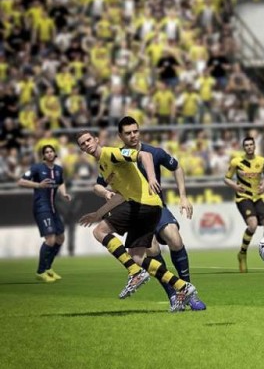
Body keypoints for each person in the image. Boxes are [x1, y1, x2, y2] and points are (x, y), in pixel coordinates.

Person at [75, 130, 203, 313]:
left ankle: (135, 272)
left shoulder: (112, 153)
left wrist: (151, 178)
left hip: (144, 204)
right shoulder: (103, 166)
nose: (86, 144)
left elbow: (145, 155)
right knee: (137, 257)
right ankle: (182, 286)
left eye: (88, 140)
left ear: (96, 139)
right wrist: (98, 214)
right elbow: (120, 196)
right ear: (81, 149)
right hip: (141, 205)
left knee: (100, 232)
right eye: (82, 143)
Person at [17, 144, 71, 282]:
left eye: (51, 151)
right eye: (46, 152)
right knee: (50, 239)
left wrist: (64, 193)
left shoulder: (58, 169)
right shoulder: (37, 168)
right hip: (41, 207)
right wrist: (38, 185)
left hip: (53, 208)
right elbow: (21, 181)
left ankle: (48, 268)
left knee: (60, 238)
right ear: (43, 155)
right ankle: (40, 272)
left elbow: (61, 182)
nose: (49, 153)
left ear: (55, 153)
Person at [224, 136, 264, 272]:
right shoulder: (237, 162)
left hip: (257, 197)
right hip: (243, 197)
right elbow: (226, 178)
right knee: (252, 224)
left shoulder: (262, 161)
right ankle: (242, 254)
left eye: (251, 144)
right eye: (246, 145)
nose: (249, 147)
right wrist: (235, 186)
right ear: (244, 148)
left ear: (254, 146)